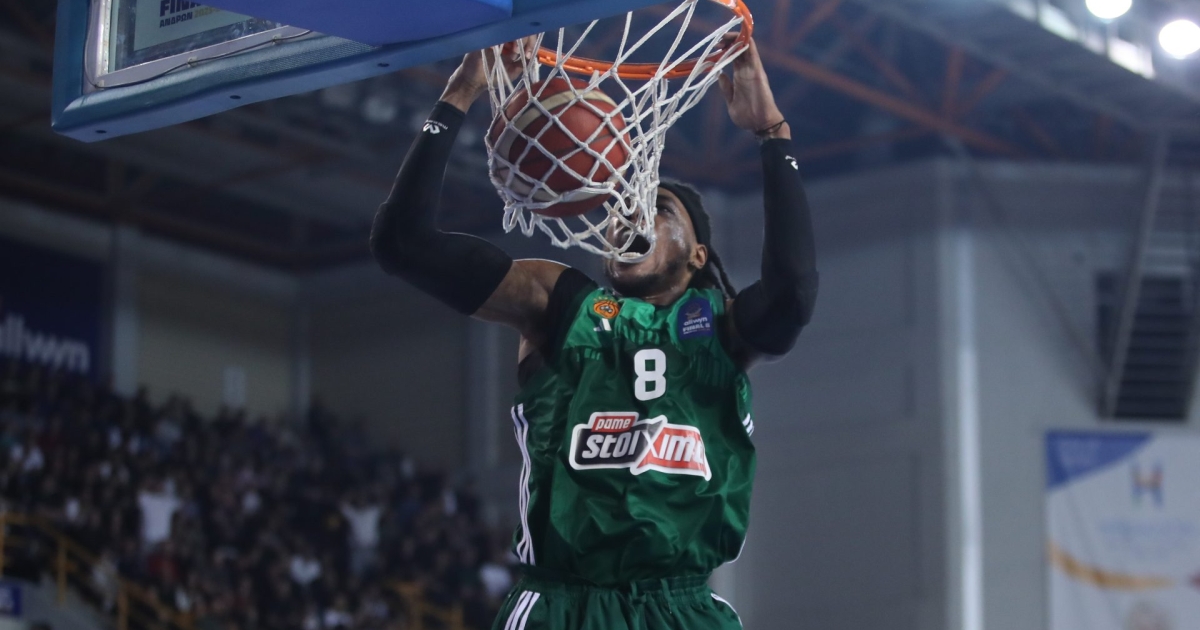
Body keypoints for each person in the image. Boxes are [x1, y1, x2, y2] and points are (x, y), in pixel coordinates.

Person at [371, 35, 818, 630]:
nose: (632, 211)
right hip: (567, 604)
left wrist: (772, 135)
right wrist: (461, 93)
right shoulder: (559, 303)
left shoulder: (721, 329)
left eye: (658, 208)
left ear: (697, 255)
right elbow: (402, 244)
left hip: (683, 608)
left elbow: (793, 294)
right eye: (622, 205)